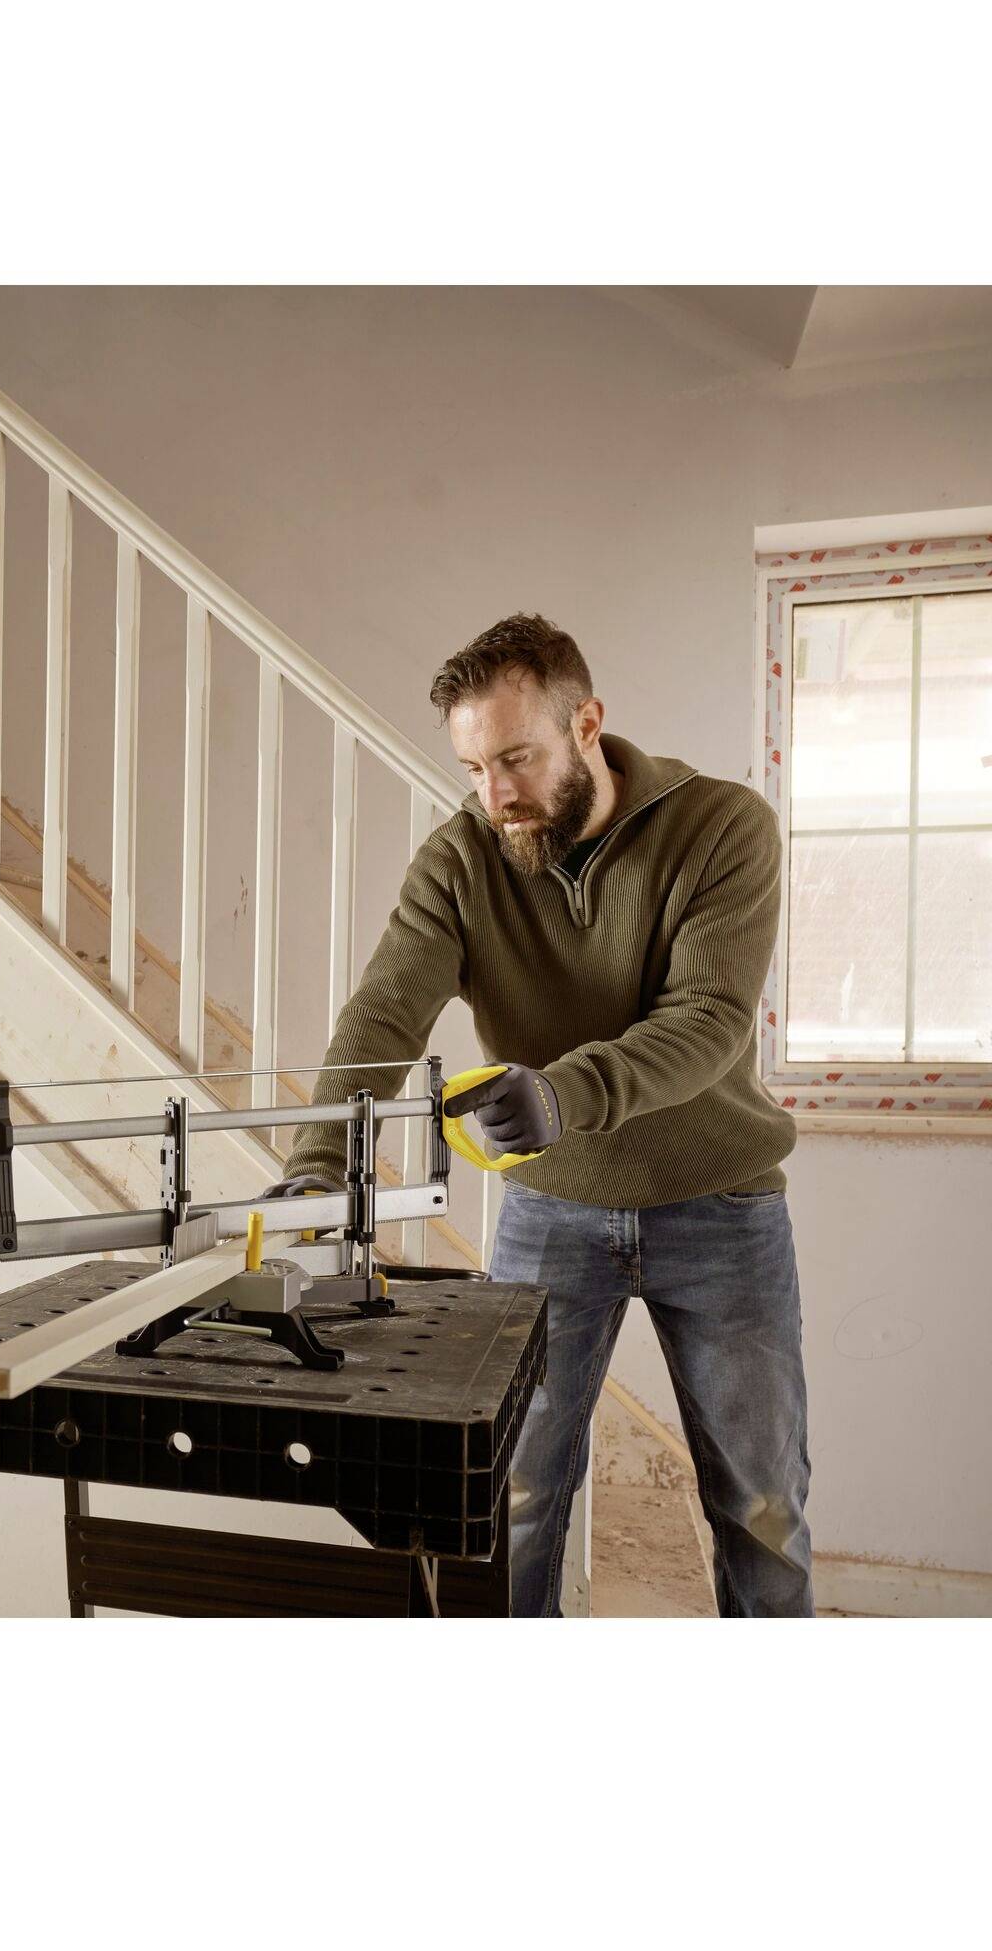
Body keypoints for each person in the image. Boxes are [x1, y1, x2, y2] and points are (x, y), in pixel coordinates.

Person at [269, 614, 812, 1617]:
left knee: (760, 1504)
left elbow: (703, 1020)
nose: (495, 795)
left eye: (514, 758)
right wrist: (317, 1159)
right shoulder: (461, 857)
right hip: (546, 1212)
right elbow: (384, 1011)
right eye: (474, 767)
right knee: (510, 1499)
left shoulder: (723, 826)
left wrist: (559, 1092)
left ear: (586, 723)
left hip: (719, 1206)